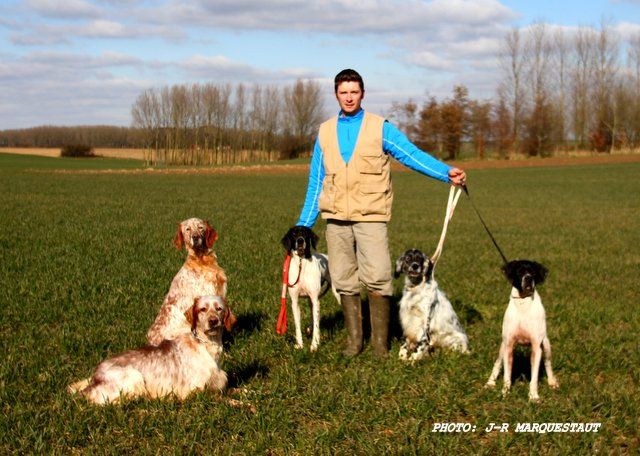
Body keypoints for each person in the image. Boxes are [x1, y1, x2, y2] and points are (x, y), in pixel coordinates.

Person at [291, 69, 466, 357]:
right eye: (343, 92)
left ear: (362, 94)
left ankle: (380, 346)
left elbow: (410, 155)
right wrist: (302, 226)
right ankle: (354, 343)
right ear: (336, 95)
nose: (349, 97)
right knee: (344, 279)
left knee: (379, 277)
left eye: (354, 91)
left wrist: (446, 173)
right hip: (335, 219)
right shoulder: (324, 132)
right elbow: (315, 182)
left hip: (371, 216)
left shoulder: (379, 128)